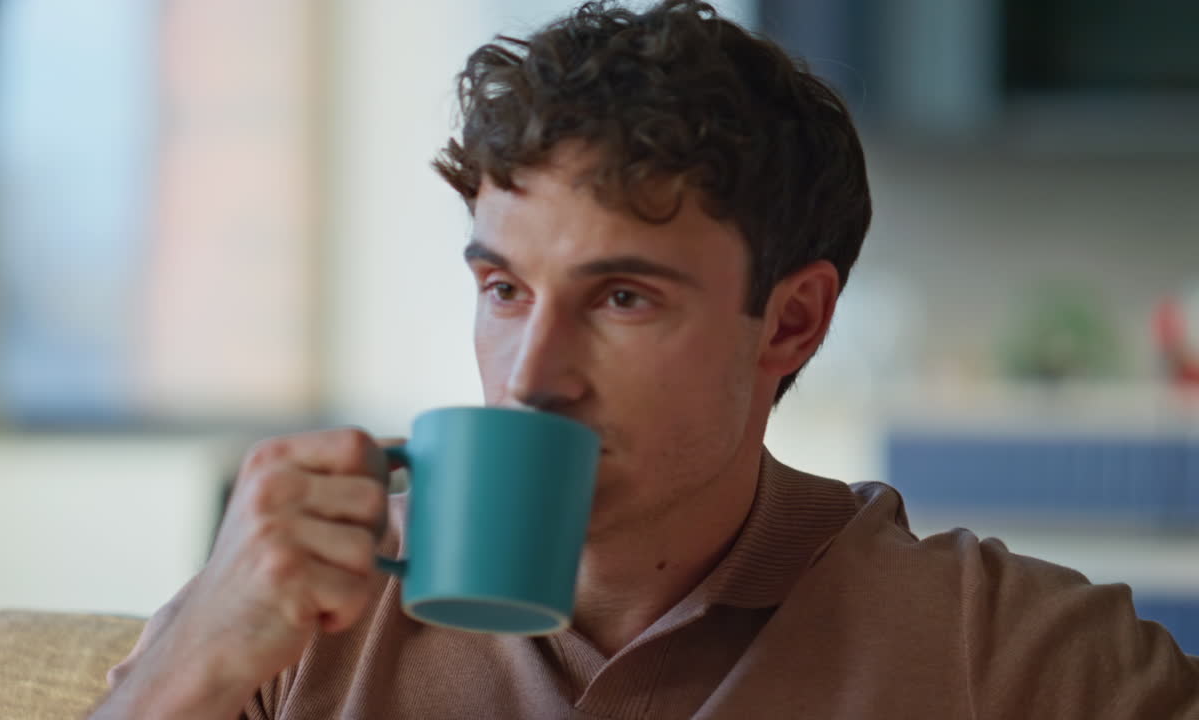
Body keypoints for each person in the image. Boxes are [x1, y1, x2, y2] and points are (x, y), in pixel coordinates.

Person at [92, 1, 1199, 718]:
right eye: (504, 290)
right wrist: (181, 669)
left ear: (792, 323)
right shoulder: (303, 621)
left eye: (621, 298)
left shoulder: (999, 650)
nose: (532, 376)